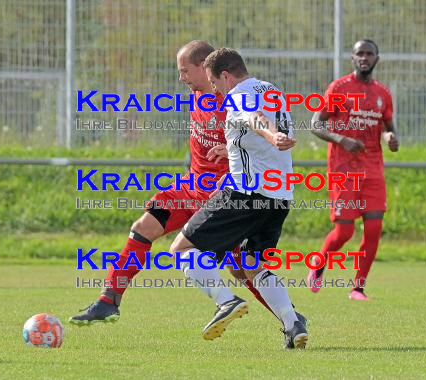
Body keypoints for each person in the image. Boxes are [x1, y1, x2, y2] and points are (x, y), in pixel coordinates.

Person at [70, 40, 274, 325]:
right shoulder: (196, 95)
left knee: (241, 269)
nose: (181, 79)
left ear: (205, 68)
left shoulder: (233, 102)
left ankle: (289, 318)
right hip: (190, 189)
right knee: (143, 228)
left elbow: (256, 145)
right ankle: (108, 300)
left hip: (222, 196)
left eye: (184, 71)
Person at [169, 48, 308, 349]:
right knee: (252, 264)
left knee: (182, 248)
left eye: (214, 81)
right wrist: (232, 147)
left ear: (226, 75)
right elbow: (251, 129)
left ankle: (225, 302)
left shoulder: (238, 95)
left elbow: (253, 118)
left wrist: (272, 136)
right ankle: (292, 323)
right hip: (279, 196)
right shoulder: (271, 89)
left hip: (246, 192)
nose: (214, 89)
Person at [307, 39, 399, 301]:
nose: (364, 58)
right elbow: (315, 124)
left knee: (373, 229)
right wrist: (341, 139)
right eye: (360, 53)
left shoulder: (383, 93)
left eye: (369, 53)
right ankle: (318, 265)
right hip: (344, 168)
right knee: (344, 231)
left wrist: (391, 138)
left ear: (377, 58)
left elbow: (390, 129)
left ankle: (358, 288)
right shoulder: (340, 88)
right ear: (352, 58)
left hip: (372, 169)